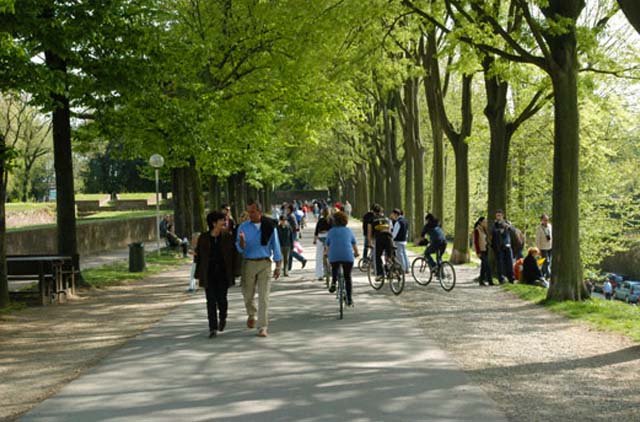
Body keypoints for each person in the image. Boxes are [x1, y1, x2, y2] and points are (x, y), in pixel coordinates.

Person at [236, 200, 282, 337]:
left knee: (264, 296)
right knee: (248, 294)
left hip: (264, 263)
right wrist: (242, 243)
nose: (250, 214)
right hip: (249, 263)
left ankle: (262, 326)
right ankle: (251, 314)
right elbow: (238, 247)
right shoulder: (243, 227)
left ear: (259, 212)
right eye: (248, 211)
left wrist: (278, 265)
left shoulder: (269, 226)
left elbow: (276, 246)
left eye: (253, 211)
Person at [195, 211, 236, 338]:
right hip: (209, 273)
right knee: (210, 301)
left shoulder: (227, 236)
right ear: (214, 223)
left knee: (222, 300)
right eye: (221, 220)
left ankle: (222, 317)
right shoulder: (204, 238)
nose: (224, 222)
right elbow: (199, 257)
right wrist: (197, 274)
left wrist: (235, 272)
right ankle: (212, 327)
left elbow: (233, 255)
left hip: (223, 273)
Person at [325, 211, 359, 306]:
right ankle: (349, 299)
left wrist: (326, 253)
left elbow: (327, 245)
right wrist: (356, 253)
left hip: (334, 256)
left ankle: (333, 282)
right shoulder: (348, 231)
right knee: (347, 277)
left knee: (334, 266)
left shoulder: (331, 231)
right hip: (348, 256)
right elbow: (354, 244)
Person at [368, 204, 393, 281]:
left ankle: (380, 274)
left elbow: (369, 232)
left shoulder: (372, 219)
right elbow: (389, 229)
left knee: (377, 256)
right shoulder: (386, 219)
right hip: (389, 237)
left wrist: (369, 242)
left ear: (373, 211)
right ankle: (391, 270)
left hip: (379, 238)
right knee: (389, 256)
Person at [491, 210, 515, 284]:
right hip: (499, 247)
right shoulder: (495, 224)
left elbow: (513, 230)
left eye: (499, 215)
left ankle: (511, 278)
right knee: (500, 263)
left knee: (510, 262)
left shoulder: (507, 222)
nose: (498, 217)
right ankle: (501, 279)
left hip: (507, 245)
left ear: (503, 216)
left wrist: (509, 227)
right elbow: (493, 231)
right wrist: (499, 231)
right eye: (497, 215)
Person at [285, 204, 307, 272]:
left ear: (289, 209)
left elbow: (293, 227)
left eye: (287, 208)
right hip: (293, 234)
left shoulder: (290, 216)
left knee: (290, 250)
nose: (286, 209)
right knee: (290, 249)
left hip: (292, 234)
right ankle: (289, 267)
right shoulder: (291, 215)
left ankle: (302, 259)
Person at [473, 216, 493, 286]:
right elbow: (476, 241)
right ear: (480, 222)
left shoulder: (484, 230)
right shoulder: (477, 230)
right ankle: (490, 281)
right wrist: (478, 252)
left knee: (484, 266)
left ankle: (481, 281)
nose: (486, 223)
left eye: (486, 222)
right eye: (484, 222)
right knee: (487, 265)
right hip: (480, 250)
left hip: (485, 249)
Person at [314, 207, 333, 280]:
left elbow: (316, 231)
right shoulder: (332, 220)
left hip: (321, 237)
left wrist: (314, 240)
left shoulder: (320, 220)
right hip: (330, 237)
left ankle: (320, 274)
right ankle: (332, 270)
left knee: (319, 256)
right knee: (332, 255)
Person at [390, 209, 409, 273]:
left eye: (393, 214)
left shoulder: (398, 222)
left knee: (400, 255)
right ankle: (407, 268)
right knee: (404, 254)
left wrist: (391, 238)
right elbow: (407, 232)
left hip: (398, 241)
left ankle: (403, 269)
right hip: (404, 240)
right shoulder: (405, 221)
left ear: (396, 214)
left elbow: (394, 233)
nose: (392, 216)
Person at [535, 214, 552, 280]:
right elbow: (537, 239)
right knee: (546, 261)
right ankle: (548, 275)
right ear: (541, 220)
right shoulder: (539, 228)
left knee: (548, 262)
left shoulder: (550, 226)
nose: (546, 221)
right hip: (543, 247)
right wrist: (538, 249)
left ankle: (541, 273)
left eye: (547, 220)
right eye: (545, 220)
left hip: (550, 246)